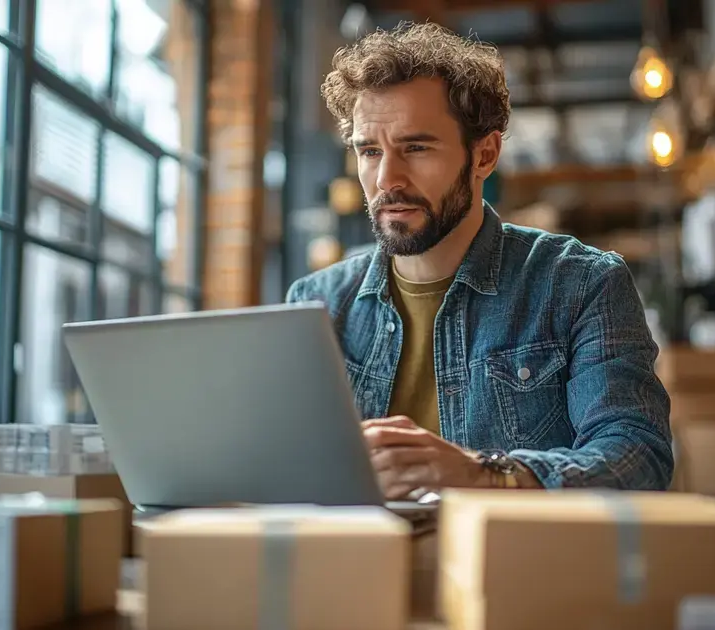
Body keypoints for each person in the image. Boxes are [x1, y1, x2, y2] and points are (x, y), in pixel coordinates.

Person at [286, 22, 672, 498]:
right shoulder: (315, 303)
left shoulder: (581, 284)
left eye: (416, 147)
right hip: (359, 565)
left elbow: (637, 457)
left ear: (484, 155)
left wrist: (481, 473)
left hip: (514, 567)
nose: (387, 177)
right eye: (370, 151)